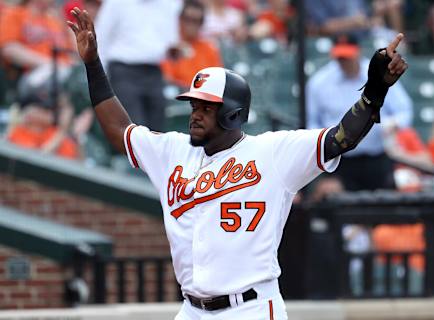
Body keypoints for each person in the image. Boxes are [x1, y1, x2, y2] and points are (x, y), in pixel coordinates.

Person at [67, 7, 408, 319]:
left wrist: (374, 92)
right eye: (194, 106)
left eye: (206, 107)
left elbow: (340, 138)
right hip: (191, 309)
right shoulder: (171, 151)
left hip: (251, 308)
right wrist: (93, 64)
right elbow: (118, 129)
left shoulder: (273, 153)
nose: (195, 115)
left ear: (233, 113)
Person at [306, 34, 413, 191]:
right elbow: (311, 122)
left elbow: (405, 110)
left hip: (377, 157)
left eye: (347, 56)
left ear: (358, 52)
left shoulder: (378, 73)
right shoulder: (320, 82)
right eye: (340, 57)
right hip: (341, 160)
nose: (344, 62)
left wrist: (393, 124)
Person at [94, 0, 182, 131]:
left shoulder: (169, 4)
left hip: (154, 70)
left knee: (158, 130)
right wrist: (101, 76)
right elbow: (101, 38)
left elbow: (170, 41)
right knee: (134, 130)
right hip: (123, 70)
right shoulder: (115, 3)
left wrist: (173, 51)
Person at [161, 0, 223, 89]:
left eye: (196, 21)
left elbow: (217, 79)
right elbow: (168, 79)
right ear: (180, 19)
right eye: (187, 19)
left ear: (202, 23)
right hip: (179, 98)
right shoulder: (170, 47)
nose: (191, 25)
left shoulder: (209, 48)